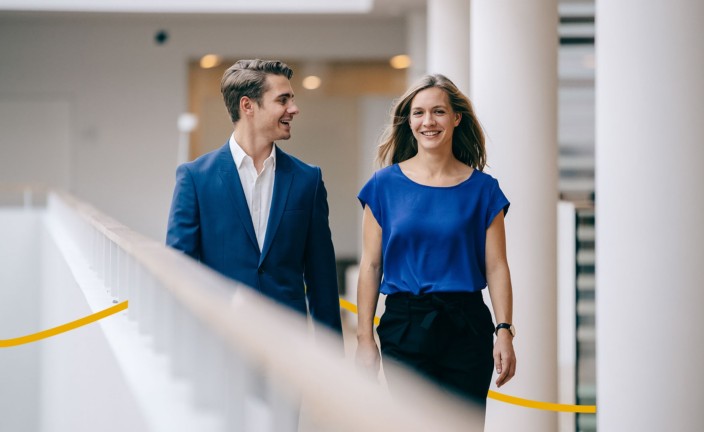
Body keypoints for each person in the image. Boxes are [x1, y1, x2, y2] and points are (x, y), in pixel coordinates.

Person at [355, 74, 516, 421]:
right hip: (405, 326)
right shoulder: (383, 186)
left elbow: (497, 267)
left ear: (456, 118)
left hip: (467, 326)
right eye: (419, 113)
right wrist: (364, 339)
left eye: (439, 112)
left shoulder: (484, 190)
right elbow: (370, 266)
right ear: (409, 121)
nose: (428, 122)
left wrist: (504, 331)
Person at [166, 59, 342, 335]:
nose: (293, 109)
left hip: (290, 341)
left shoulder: (308, 180)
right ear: (247, 106)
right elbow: (180, 270)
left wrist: (332, 357)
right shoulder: (195, 178)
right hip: (220, 335)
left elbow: (322, 278)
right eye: (283, 100)